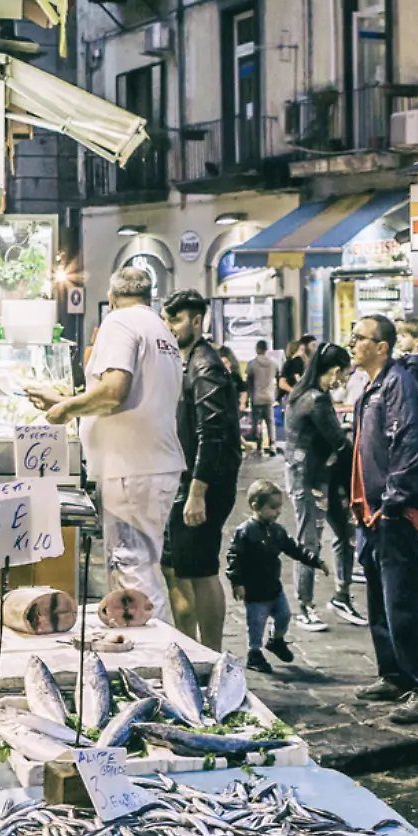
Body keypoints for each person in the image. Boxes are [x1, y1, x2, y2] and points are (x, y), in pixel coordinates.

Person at [27, 267, 184, 625]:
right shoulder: (160, 329)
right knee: (142, 566)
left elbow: (114, 391)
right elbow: (132, 397)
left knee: (132, 573)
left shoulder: (119, 322)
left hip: (131, 468)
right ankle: (149, 647)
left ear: (112, 299)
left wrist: (65, 410)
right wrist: (65, 400)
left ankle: (150, 654)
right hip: (152, 464)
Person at [349, 314, 418, 723]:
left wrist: (393, 501)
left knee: (403, 601)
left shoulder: (398, 384)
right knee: (380, 599)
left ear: (381, 346)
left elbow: (408, 444)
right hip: (371, 511)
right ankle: (394, 675)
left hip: (392, 511)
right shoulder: (372, 386)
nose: (352, 344)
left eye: (360, 338)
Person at [160, 288, 243, 650]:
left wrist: (198, 491)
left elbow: (212, 434)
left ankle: (210, 654)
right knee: (176, 567)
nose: (170, 327)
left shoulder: (206, 366)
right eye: (167, 320)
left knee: (201, 571)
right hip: (185, 480)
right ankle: (188, 651)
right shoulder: (187, 360)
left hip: (202, 485)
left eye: (176, 320)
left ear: (197, 321)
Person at [284, 342, 362, 629]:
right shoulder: (315, 399)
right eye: (343, 374)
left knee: (343, 532)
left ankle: (340, 596)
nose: (343, 381)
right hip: (308, 479)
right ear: (335, 370)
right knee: (310, 541)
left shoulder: (304, 394)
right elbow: (338, 441)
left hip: (321, 476)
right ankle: (304, 606)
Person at [227, 479, 325, 675]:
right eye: (273, 507)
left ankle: (276, 640)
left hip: (274, 587)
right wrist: (237, 583)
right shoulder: (245, 531)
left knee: (284, 615)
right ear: (256, 506)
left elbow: (293, 549)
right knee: (256, 623)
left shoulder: (277, 531)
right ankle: (254, 652)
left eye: (279, 507)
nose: (278, 512)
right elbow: (234, 558)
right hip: (255, 591)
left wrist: (315, 561)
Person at [246, 340, 278, 456]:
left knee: (257, 422)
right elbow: (278, 378)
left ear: (257, 349)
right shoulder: (273, 364)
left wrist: (248, 398)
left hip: (257, 397)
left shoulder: (252, 364)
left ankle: (259, 447)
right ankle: (272, 446)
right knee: (270, 422)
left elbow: (249, 382)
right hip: (269, 397)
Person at [278, 335, 316, 399]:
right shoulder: (296, 362)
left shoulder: (290, 362)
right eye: (301, 350)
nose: (303, 353)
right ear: (295, 350)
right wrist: (296, 391)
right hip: (292, 396)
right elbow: (297, 378)